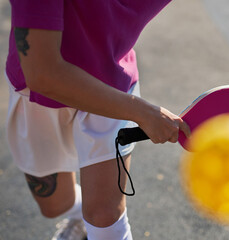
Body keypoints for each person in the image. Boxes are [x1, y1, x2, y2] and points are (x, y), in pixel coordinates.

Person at [5, 1, 191, 239]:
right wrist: (144, 113)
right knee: (55, 205)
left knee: (104, 214)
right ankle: (79, 218)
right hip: (39, 93)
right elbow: (43, 74)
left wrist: (138, 111)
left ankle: (91, 219)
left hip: (113, 83)